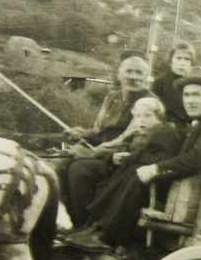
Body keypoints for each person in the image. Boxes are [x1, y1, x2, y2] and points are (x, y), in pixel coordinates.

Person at [66, 67, 201, 249]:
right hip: (193, 186)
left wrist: (155, 169)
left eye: (197, 95)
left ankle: (107, 236)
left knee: (139, 174)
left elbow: (196, 159)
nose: (190, 101)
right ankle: (96, 227)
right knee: (133, 168)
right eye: (187, 95)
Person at [65, 97, 178, 226]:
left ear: (160, 118)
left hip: (141, 179)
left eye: (148, 116)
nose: (142, 120)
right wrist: (114, 158)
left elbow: (161, 158)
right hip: (123, 169)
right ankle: (81, 221)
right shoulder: (136, 133)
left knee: (81, 169)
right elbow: (122, 149)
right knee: (78, 167)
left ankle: (87, 223)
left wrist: (129, 157)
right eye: (138, 116)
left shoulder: (164, 132)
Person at [150, 41, 195, 129]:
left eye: (187, 59)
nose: (182, 62)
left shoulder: (194, 82)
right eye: (178, 58)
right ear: (171, 60)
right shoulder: (160, 82)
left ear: (191, 63)